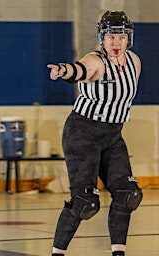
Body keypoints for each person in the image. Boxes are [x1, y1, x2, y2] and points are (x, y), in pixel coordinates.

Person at [47, 11, 142, 256]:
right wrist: (63, 70)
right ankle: (57, 253)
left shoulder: (135, 62)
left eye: (121, 37)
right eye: (110, 37)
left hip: (112, 135)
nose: (116, 43)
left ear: (129, 38)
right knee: (85, 202)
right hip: (83, 134)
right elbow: (79, 70)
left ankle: (118, 253)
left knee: (127, 194)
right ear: (102, 38)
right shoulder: (96, 60)